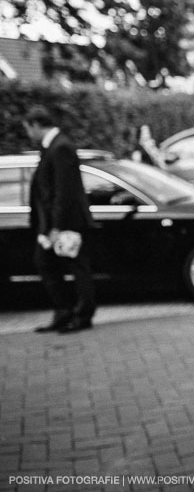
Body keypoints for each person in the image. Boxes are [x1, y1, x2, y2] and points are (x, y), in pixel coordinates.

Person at [22, 106, 95, 333]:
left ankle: (81, 315)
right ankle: (65, 312)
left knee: (77, 266)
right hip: (52, 223)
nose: (27, 134)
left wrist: (56, 227)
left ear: (36, 125)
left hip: (66, 223)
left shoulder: (61, 147)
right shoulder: (53, 147)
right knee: (47, 263)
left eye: (27, 129)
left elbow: (64, 192)